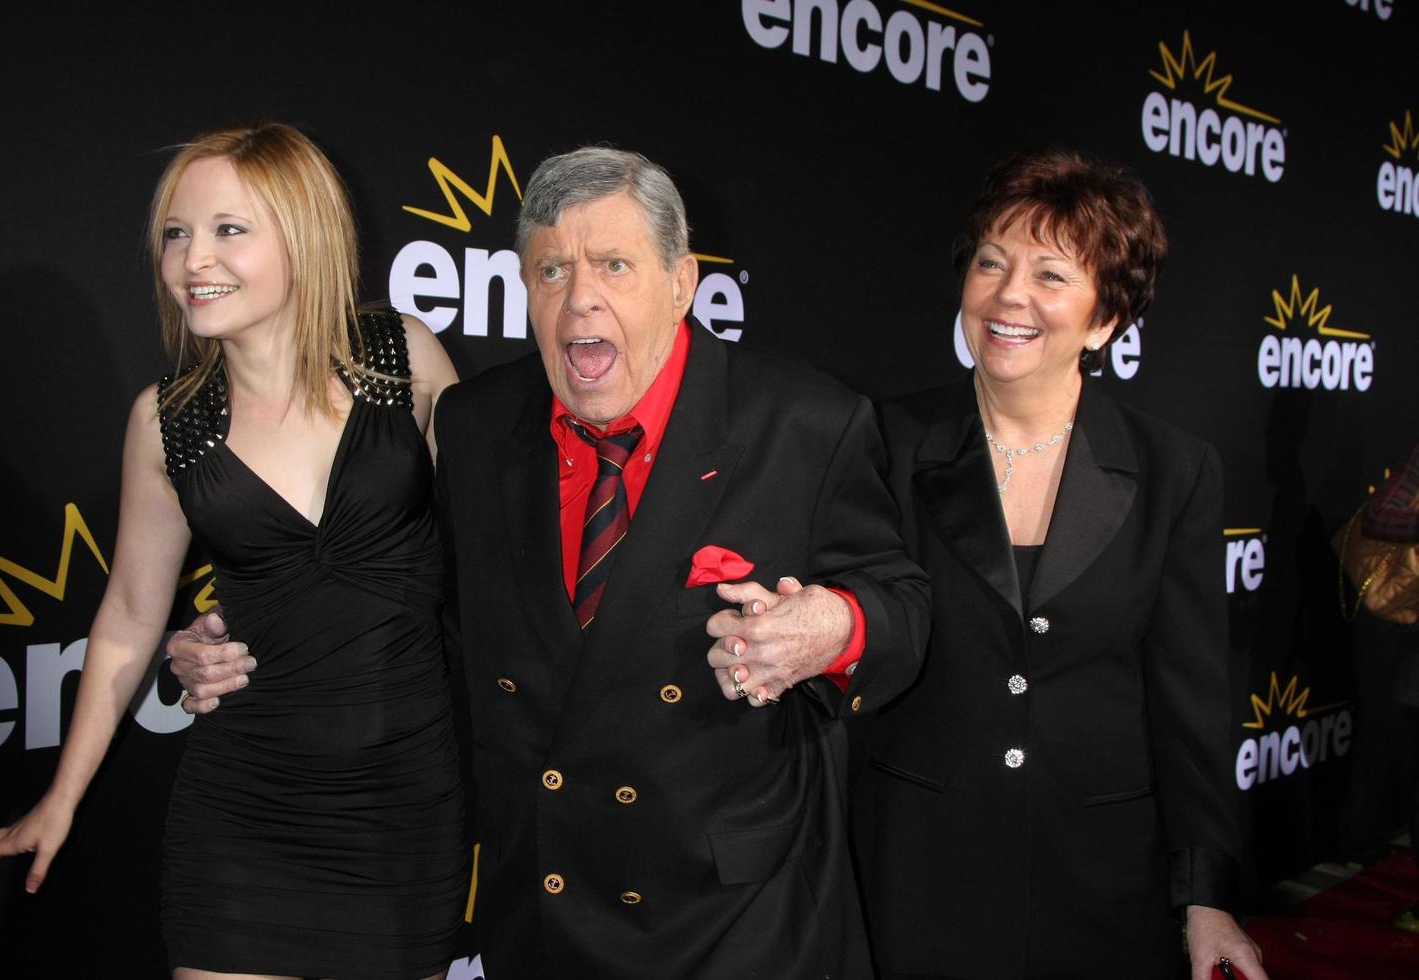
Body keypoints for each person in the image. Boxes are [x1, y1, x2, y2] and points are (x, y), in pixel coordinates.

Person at [170, 145, 932, 978]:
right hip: (546, 912)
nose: (581, 301)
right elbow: (410, 604)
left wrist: (835, 624)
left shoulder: (805, 422)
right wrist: (220, 643)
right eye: (551, 270)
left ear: (682, 285)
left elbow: (901, 603)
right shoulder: (474, 423)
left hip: (735, 918)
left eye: (614, 265)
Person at [0, 123, 467, 980]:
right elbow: (125, 615)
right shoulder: (168, 423)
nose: (194, 260)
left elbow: (493, 547)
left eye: (230, 229)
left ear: (305, 235)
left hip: (404, 804)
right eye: (176, 233)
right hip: (244, 808)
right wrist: (60, 799)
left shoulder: (399, 361)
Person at [852, 147, 1267, 980]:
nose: (1009, 295)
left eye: (1050, 275)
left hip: (1103, 877)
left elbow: (1188, 701)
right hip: (915, 871)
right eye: (991, 263)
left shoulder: (1174, 469)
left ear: (1106, 318)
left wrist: (1206, 895)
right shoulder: (881, 443)